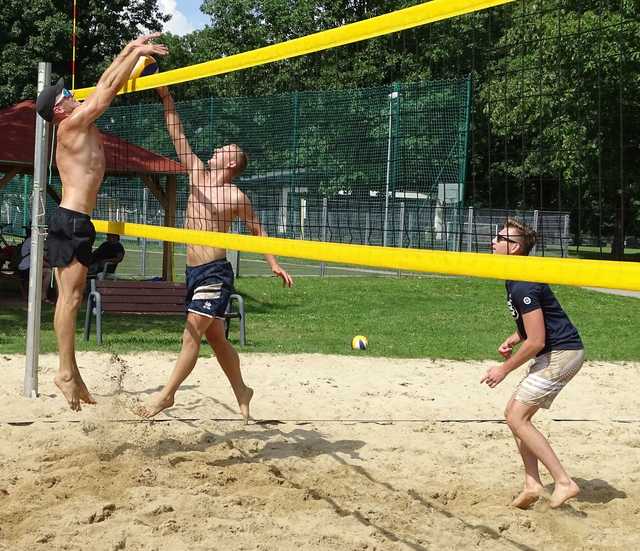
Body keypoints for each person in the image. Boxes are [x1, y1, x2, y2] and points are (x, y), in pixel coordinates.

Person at [137, 86, 293, 421]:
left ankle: (166, 397)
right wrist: (166, 97)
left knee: (191, 332)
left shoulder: (235, 196)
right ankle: (242, 390)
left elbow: (258, 231)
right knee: (217, 339)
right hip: (193, 273)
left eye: (225, 148)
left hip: (215, 273)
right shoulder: (196, 174)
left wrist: (274, 263)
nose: (218, 148)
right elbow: (175, 131)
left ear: (232, 162)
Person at [35, 33, 169, 411]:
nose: (71, 94)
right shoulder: (72, 124)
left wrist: (130, 48)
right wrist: (137, 54)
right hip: (73, 221)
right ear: (58, 110)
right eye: (64, 95)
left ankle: (71, 373)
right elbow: (107, 91)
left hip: (72, 220)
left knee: (69, 299)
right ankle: (64, 372)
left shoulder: (74, 121)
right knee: (72, 299)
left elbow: (107, 80)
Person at [481, 218, 585, 509]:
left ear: (514, 248)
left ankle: (564, 482)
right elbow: (540, 321)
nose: (493, 241)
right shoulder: (517, 275)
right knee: (514, 414)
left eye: (500, 238)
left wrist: (503, 369)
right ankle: (532, 484)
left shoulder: (522, 283)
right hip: (558, 350)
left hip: (562, 353)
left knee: (518, 418)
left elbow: (537, 340)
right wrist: (516, 337)